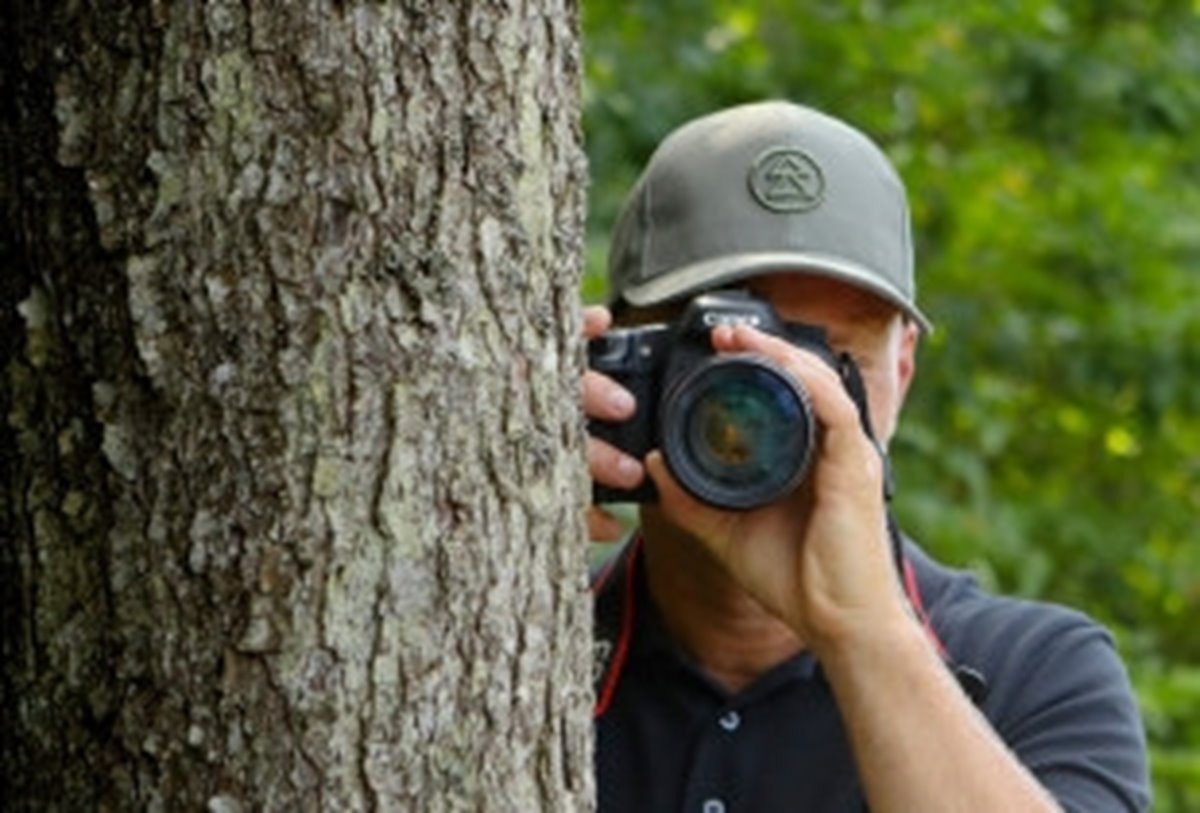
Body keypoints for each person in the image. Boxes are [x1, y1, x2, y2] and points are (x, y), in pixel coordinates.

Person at [583, 100, 1150, 812]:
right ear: (617, 353)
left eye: (833, 358)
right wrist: (505, 512)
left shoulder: (1030, 671)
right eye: (715, 351)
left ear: (902, 369)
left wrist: (863, 628)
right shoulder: (523, 648)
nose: (765, 402)